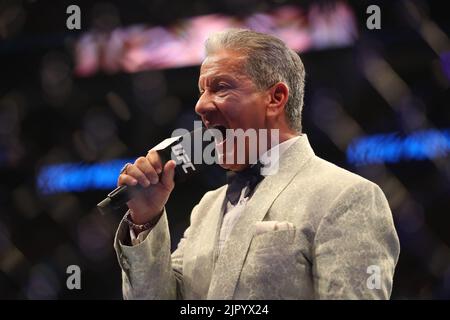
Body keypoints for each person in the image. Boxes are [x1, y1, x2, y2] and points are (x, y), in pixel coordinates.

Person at [113, 29, 400, 299]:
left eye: (220, 87)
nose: (200, 106)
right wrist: (146, 219)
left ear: (275, 98)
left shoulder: (346, 196)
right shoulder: (206, 209)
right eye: (202, 91)